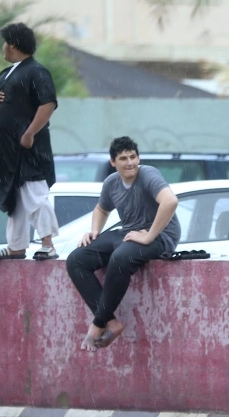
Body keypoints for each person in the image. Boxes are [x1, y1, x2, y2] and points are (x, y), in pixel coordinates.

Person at [66, 137, 180, 352]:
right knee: (76, 260)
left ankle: (97, 325)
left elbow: (170, 201)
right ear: (113, 162)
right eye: (123, 158)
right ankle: (111, 322)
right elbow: (102, 209)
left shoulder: (148, 174)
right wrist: (95, 231)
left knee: (120, 258)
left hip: (160, 236)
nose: (130, 163)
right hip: (129, 233)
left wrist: (148, 236)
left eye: (133, 157)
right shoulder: (112, 182)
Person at [0, 23, 60, 261]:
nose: (3, 48)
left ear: (13, 45)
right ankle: (16, 246)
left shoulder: (37, 72)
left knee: (35, 195)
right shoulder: (7, 73)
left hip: (28, 149)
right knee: (15, 199)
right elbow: (6, 105)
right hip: (8, 151)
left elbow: (48, 103)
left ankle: (48, 244)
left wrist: (29, 133)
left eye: (5, 43)